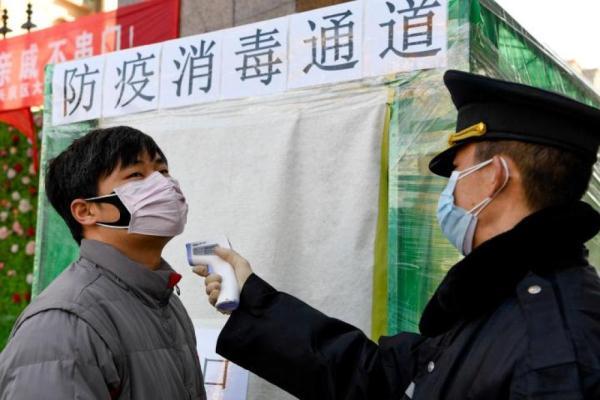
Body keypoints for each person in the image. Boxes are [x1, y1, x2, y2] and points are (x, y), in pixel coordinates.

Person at [196, 70, 600, 399]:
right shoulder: (497, 297)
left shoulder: (555, 345)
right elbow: (378, 377)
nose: (450, 190)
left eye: (457, 172)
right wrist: (253, 298)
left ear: (493, 176)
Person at [0, 127, 206, 399]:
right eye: (136, 175)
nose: (164, 185)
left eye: (163, 171)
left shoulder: (163, 300)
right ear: (85, 211)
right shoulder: (64, 324)